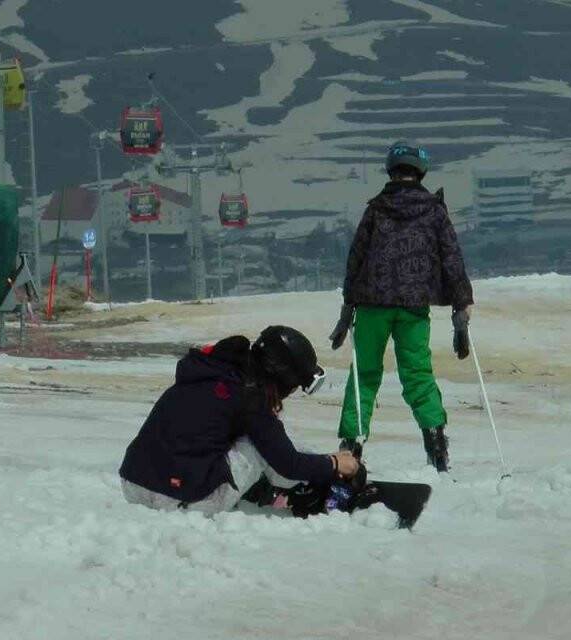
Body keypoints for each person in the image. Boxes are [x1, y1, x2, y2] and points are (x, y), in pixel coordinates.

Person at [329, 141, 474, 473]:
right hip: (413, 307)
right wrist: (460, 307)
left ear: (391, 170)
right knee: (418, 375)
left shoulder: (376, 209)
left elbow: (356, 259)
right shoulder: (435, 211)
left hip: (371, 305)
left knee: (364, 375)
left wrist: (347, 308)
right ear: (420, 172)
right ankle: (437, 449)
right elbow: (452, 259)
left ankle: (352, 448)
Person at [119, 326, 362, 514]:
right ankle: (308, 491)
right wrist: (333, 464)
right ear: (282, 377)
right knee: (259, 446)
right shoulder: (251, 396)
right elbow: (287, 464)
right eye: (293, 386)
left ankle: (254, 486)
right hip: (177, 498)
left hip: (133, 484)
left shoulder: (212, 372)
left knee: (244, 438)